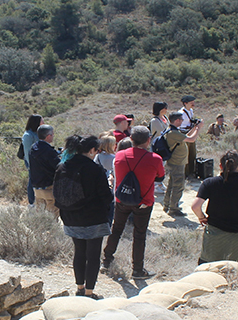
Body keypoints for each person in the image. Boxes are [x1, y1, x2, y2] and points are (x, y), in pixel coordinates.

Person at [54, 135, 114, 299]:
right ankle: (89, 292)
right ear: (92, 150)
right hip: (93, 219)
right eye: (97, 150)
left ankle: (80, 288)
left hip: (70, 217)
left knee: (79, 252)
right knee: (93, 255)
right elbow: (106, 197)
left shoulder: (62, 167)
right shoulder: (95, 169)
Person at [103, 126, 166, 280]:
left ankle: (106, 260)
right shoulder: (155, 159)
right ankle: (137, 270)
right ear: (148, 140)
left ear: (131, 139)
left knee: (116, 229)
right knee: (139, 235)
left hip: (122, 199)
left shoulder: (119, 156)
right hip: (144, 201)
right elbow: (160, 177)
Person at [162, 112, 201, 217]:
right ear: (177, 120)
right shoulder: (173, 133)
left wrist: (194, 128)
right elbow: (191, 139)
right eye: (181, 119)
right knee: (178, 186)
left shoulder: (172, 131)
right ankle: (173, 208)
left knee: (172, 184)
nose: (182, 121)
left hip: (175, 162)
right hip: (177, 163)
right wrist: (198, 129)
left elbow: (187, 136)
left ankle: (167, 205)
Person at [29, 124, 60, 216]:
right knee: (52, 215)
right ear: (48, 136)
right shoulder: (48, 151)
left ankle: (41, 231)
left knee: (41, 216)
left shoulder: (33, 148)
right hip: (49, 187)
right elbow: (58, 166)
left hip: (36, 188)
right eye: (53, 134)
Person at [21, 115, 42, 206]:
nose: (43, 123)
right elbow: (27, 152)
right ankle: (31, 202)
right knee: (31, 181)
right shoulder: (28, 135)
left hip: (38, 162)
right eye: (42, 121)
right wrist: (31, 165)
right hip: (32, 162)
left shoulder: (37, 133)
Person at [178, 95, 200, 178]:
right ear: (185, 103)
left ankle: (192, 172)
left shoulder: (191, 111)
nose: (193, 104)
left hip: (191, 131)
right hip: (184, 133)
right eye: (191, 102)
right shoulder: (181, 113)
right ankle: (186, 174)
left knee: (192, 153)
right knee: (186, 154)